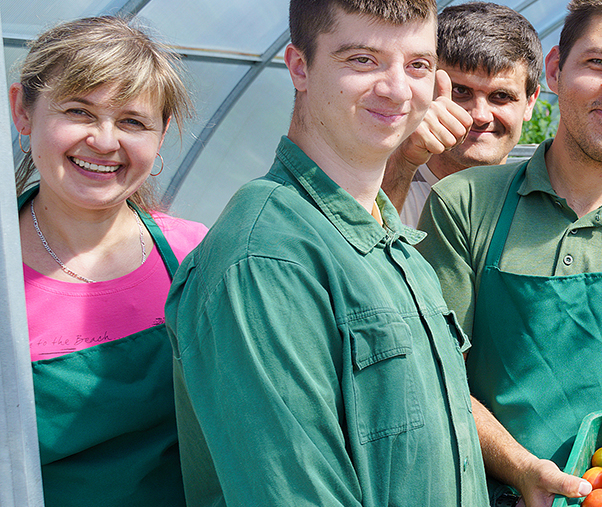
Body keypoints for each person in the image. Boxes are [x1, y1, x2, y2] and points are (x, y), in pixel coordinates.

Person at [164, 0, 486, 505]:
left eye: (418, 65)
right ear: (299, 67)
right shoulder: (266, 262)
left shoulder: (390, 240)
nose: (398, 88)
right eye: (363, 60)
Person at [414, 0, 602, 503]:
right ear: (556, 71)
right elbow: (435, 375)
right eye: (599, 63)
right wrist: (522, 469)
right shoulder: (466, 205)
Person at [11, 16, 201, 506]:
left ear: (161, 138)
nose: (104, 140)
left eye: (133, 121)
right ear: (23, 113)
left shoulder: (196, 258)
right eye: (79, 111)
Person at [381, 1, 541, 228]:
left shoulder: (546, 201)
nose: (480, 115)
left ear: (530, 102)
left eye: (501, 96)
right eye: (460, 91)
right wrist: (403, 165)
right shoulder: (376, 178)